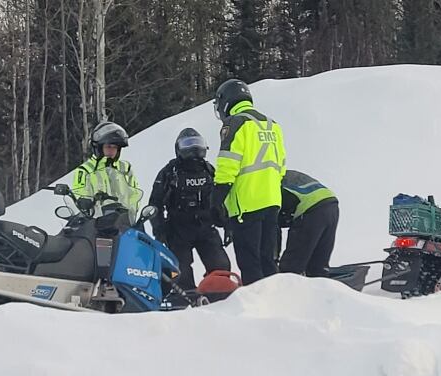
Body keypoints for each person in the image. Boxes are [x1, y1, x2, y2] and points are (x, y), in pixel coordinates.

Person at [210, 79, 286, 285]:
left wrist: (217, 199)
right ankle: (276, 300)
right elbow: (281, 166)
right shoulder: (272, 125)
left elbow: (228, 165)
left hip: (247, 204)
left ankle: (256, 308)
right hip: (272, 201)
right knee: (268, 259)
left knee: (249, 261)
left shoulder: (235, 123)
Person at [148, 128, 231, 291]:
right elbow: (155, 203)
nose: (193, 151)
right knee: (180, 273)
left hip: (206, 227)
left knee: (221, 266)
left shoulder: (209, 170)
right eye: (188, 146)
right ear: (179, 149)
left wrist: (227, 223)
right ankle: (185, 304)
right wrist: (159, 229)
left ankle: (219, 295)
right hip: (178, 229)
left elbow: (222, 199)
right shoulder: (169, 172)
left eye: (197, 146)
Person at [72, 121, 142, 220]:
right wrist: (85, 201)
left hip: (122, 223)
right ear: (99, 147)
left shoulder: (125, 168)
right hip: (95, 225)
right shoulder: (85, 170)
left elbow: (134, 195)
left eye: (115, 148)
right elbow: (79, 195)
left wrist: (131, 212)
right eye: (108, 147)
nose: (112, 151)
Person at [278, 170, 339, 277]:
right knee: (317, 266)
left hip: (311, 209)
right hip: (331, 204)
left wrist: (273, 258)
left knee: (290, 267)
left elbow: (272, 227)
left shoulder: (270, 186)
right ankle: (323, 287)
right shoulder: (286, 174)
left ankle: (287, 291)